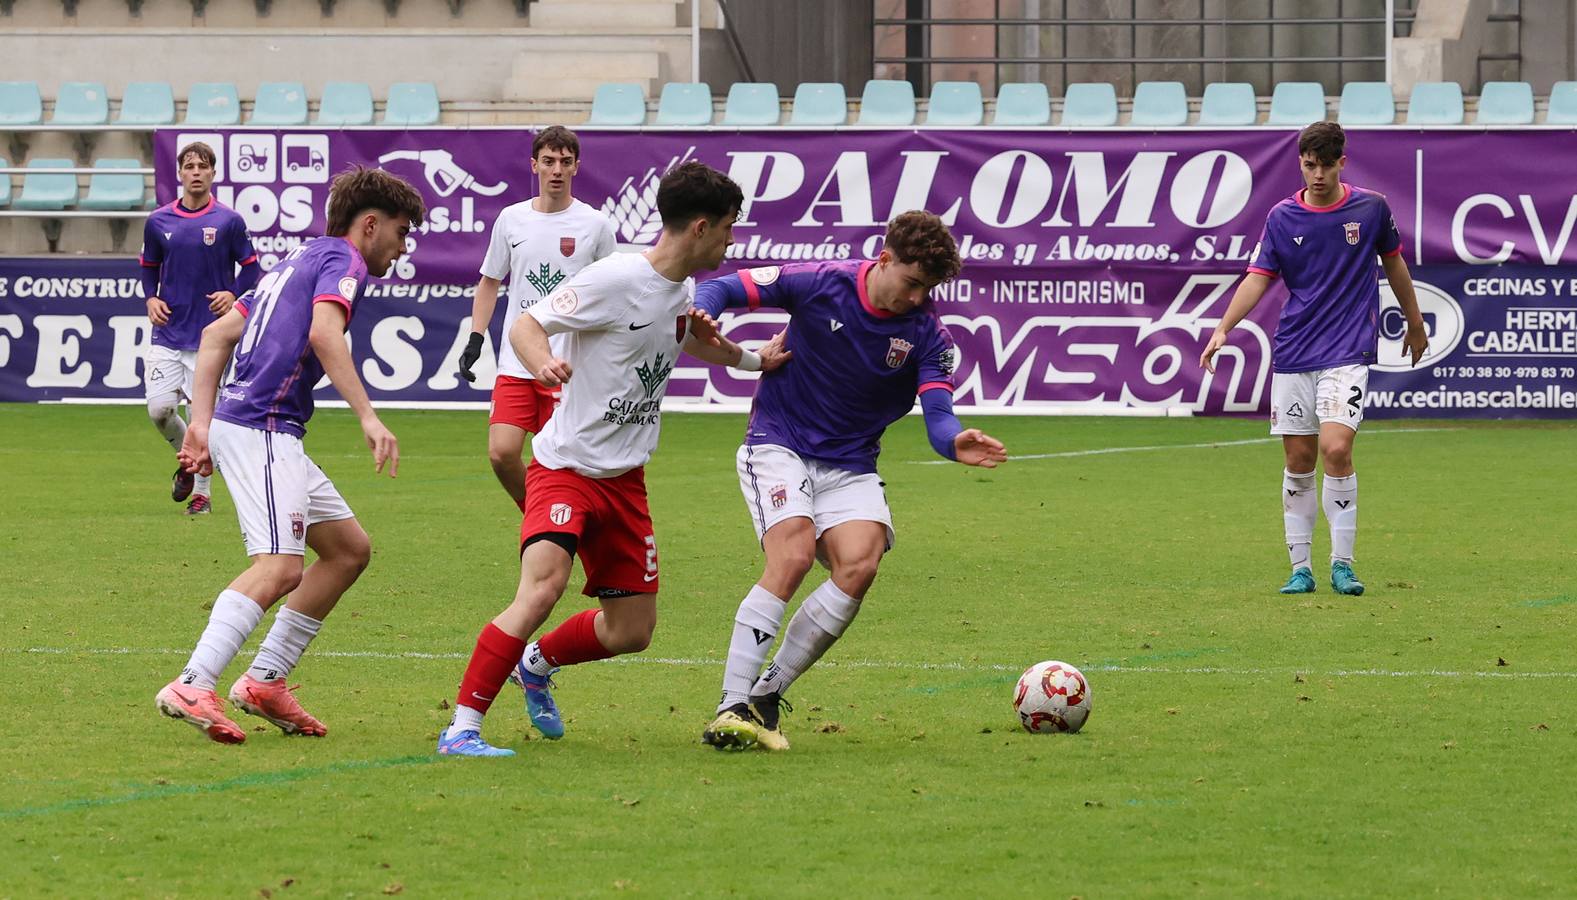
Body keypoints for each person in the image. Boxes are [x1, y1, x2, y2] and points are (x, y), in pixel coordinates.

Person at [437, 161, 788, 757]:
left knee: (632, 632)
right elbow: (527, 322)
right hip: (564, 469)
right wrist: (543, 360)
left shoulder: (679, 289)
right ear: (701, 227)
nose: (733, 241)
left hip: (625, 482)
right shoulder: (616, 277)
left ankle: (536, 664)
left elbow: (690, 334)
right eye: (728, 228)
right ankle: (462, 728)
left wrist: (754, 362)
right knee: (542, 589)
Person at [694, 210, 1009, 753]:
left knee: (860, 563)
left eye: (928, 288)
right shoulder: (820, 282)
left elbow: (937, 415)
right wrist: (706, 311)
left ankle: (767, 696)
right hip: (779, 442)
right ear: (884, 259)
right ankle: (730, 704)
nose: (917, 297)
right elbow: (727, 285)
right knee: (790, 557)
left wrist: (953, 441)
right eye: (912, 282)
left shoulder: (929, 335)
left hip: (850, 462)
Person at [154, 166, 426, 744]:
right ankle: (193, 681)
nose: (401, 248)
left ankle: (265, 681)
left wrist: (200, 424)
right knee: (280, 566)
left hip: (248, 423)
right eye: (401, 233)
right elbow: (325, 334)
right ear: (370, 224)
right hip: (263, 426)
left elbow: (214, 338)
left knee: (349, 550)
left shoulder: (293, 262)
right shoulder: (342, 262)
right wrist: (369, 417)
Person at [1199, 121, 1428, 597]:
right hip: (1294, 351)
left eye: (1326, 165)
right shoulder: (1282, 217)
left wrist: (1415, 320)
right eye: (1309, 165)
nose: (1317, 174)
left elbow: (1395, 262)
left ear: (1342, 162)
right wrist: (1224, 327)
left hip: (1347, 352)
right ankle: (1300, 568)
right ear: (1300, 163)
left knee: (1336, 450)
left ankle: (1342, 564)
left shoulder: (1370, 208)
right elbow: (1258, 277)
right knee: (1299, 461)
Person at [456, 125, 617, 511]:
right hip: (517, 360)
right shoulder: (512, 220)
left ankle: (560, 526)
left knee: (563, 463)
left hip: (568, 366)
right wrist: (476, 339)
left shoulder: (595, 225)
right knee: (501, 453)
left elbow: (614, 288)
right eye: (549, 161)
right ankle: (541, 517)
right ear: (534, 165)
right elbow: (490, 281)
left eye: (565, 161)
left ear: (577, 166)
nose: (557, 169)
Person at [140, 141, 261, 515]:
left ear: (212, 174)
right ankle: (188, 461)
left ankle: (201, 495)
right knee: (159, 410)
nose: (195, 171)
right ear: (179, 173)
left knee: (202, 417)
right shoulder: (159, 221)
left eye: (202, 166)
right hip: (169, 331)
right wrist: (150, 298)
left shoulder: (228, 221)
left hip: (211, 337)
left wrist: (233, 294)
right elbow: (149, 267)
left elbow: (253, 268)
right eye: (189, 166)